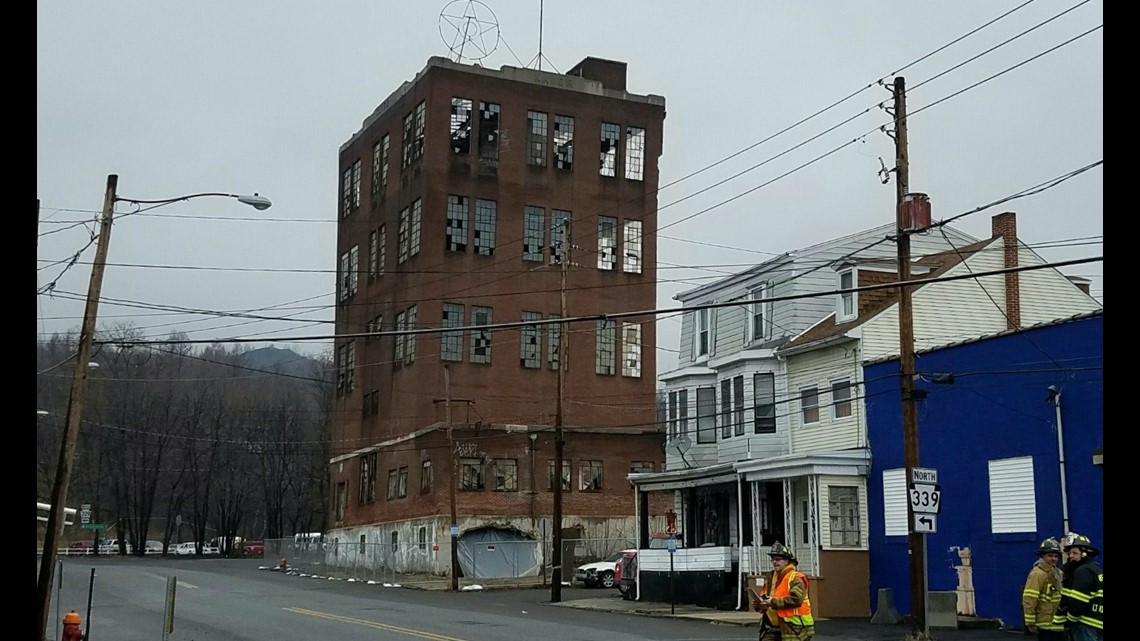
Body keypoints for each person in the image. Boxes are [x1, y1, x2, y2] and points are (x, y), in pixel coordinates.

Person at [752, 542, 814, 641]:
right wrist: (759, 603)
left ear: (787, 561)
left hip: (794, 628)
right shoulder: (771, 578)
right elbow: (765, 597)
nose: (774, 562)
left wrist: (772, 602)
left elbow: (796, 599)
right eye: (773, 560)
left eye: (778, 559)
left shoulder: (796, 578)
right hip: (771, 627)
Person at [1058, 532, 1102, 641]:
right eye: (1069, 553)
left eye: (1075, 553)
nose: (1070, 556)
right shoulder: (1097, 569)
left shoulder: (1083, 571)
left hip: (1085, 624)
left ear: (1084, 554)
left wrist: (1070, 620)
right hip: (1099, 623)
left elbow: (1078, 601)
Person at [1021, 537, 1064, 639]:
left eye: (1056, 556)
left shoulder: (1058, 573)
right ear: (1042, 556)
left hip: (1059, 624)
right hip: (1045, 625)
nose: (1053, 559)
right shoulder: (1037, 574)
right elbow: (1030, 598)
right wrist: (1030, 622)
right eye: (1050, 555)